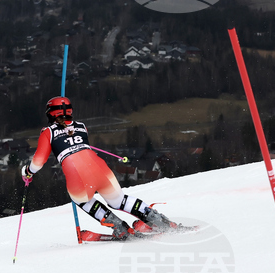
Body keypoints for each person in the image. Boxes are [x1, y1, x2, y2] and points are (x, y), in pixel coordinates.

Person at [21, 96, 174, 239]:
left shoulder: (47, 132)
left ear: (50, 114)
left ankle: (120, 228)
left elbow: (38, 162)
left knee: (82, 200)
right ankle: (159, 220)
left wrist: (28, 172)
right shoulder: (82, 126)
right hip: (100, 168)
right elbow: (70, 133)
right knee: (119, 201)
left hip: (77, 176)